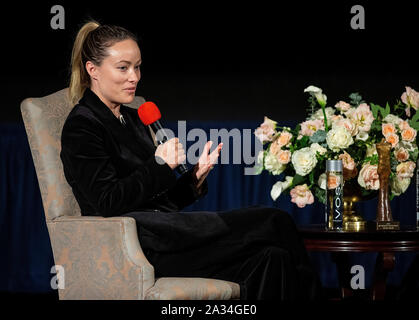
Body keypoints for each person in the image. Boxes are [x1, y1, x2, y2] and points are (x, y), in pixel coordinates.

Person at [60, 21, 321, 300]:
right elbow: (107, 203)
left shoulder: (133, 118)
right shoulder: (82, 126)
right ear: (93, 70)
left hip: (166, 234)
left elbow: (154, 201)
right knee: (276, 221)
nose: (134, 77)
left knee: (274, 257)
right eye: (123, 68)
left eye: (137, 67)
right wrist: (159, 164)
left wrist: (191, 181)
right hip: (138, 248)